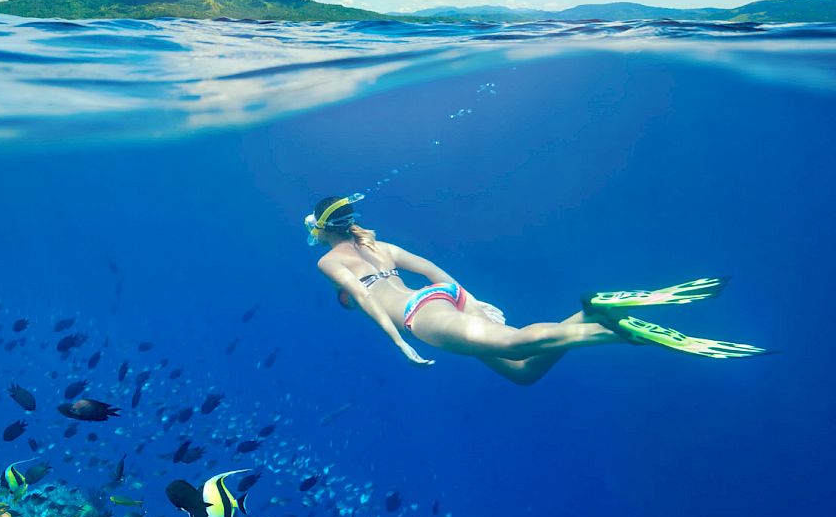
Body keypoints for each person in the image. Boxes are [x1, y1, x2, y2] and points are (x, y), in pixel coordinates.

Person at [307, 193, 770, 385]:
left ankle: (623, 329)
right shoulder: (378, 245)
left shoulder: (330, 261)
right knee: (523, 371)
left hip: (420, 319)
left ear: (322, 231)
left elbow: (367, 299)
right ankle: (593, 316)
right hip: (438, 303)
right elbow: (431, 270)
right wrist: (470, 301)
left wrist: (398, 345)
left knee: (515, 339)